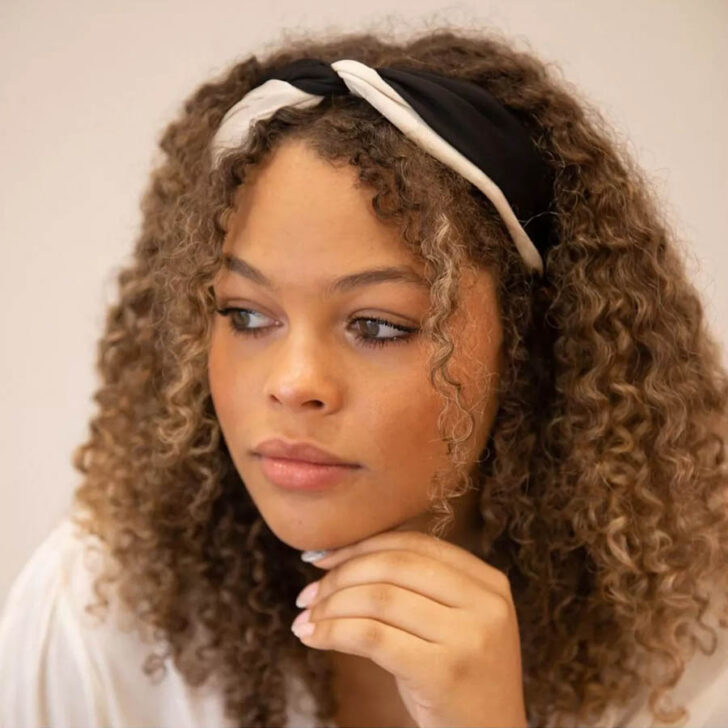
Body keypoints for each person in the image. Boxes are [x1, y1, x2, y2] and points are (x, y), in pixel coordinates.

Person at [1, 24, 728, 728]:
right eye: (246, 316)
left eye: (377, 326)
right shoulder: (98, 610)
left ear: (536, 343)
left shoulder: (688, 644)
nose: (292, 384)